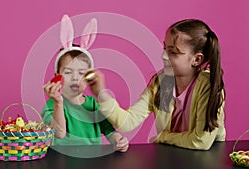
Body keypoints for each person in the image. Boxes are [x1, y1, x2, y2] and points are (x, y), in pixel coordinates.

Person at [88, 19, 226, 150]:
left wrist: (164, 137)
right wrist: (102, 93)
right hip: (172, 155)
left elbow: (201, 141)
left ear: (196, 59)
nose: (163, 56)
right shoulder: (161, 82)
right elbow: (127, 122)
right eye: (165, 48)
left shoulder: (210, 85)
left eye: (173, 52)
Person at [41, 15, 129, 152]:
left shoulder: (93, 105)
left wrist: (119, 140)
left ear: (89, 77)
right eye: (68, 72)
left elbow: (109, 131)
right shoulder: (53, 104)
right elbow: (59, 133)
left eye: (81, 73)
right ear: (57, 77)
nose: (75, 78)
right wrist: (58, 103)